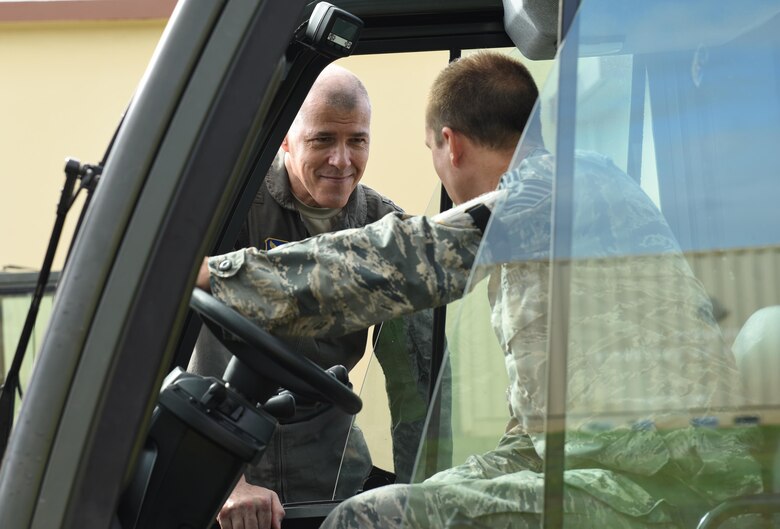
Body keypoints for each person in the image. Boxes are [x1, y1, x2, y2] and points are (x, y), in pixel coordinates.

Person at [198, 52, 761, 528]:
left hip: (663, 479)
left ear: (451, 145)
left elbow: (402, 259)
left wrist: (213, 277)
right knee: (404, 501)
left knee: (364, 521)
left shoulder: (549, 194)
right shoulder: (562, 201)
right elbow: (547, 415)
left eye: (431, 153)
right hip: (610, 458)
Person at [189, 63, 433, 529]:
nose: (342, 161)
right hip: (228, 462)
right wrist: (226, 482)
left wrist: (422, 491)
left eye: (357, 140)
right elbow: (178, 354)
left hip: (333, 466)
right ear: (285, 139)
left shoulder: (386, 232)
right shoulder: (232, 211)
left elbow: (415, 387)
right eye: (323, 140)